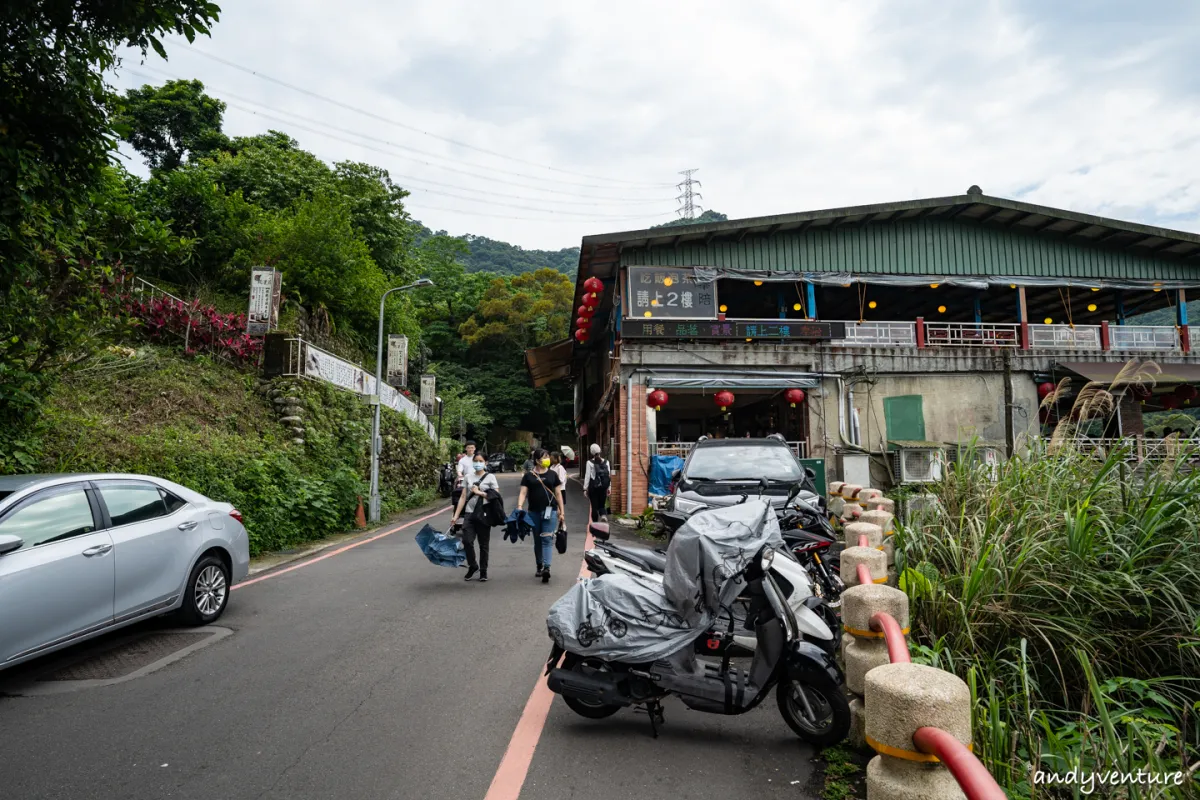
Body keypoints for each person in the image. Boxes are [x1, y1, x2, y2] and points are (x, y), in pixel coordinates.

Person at [517, 447, 565, 583]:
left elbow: (558, 494)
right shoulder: (528, 476)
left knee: (547, 539)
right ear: (537, 460)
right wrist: (520, 507)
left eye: (547, 456)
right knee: (537, 540)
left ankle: (547, 568)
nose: (547, 459)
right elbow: (523, 493)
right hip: (533, 512)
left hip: (550, 511)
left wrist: (562, 511)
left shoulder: (552, 475)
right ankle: (539, 564)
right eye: (544, 457)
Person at [451, 453, 499, 582]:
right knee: (467, 541)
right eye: (475, 461)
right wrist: (455, 516)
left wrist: (480, 493)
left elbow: (496, 495)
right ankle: (473, 565)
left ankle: (483, 571)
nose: (478, 463)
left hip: (484, 514)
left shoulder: (490, 477)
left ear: (486, 463)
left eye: (480, 461)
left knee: (483, 544)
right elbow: (463, 497)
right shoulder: (468, 477)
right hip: (469, 513)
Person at [583, 443, 611, 523]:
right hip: (603, 486)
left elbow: (587, 476)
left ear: (591, 452)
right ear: (600, 451)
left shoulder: (589, 462)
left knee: (594, 506)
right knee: (602, 504)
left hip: (593, 487)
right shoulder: (606, 462)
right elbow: (608, 476)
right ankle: (603, 515)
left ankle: (595, 523)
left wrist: (585, 489)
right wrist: (609, 487)